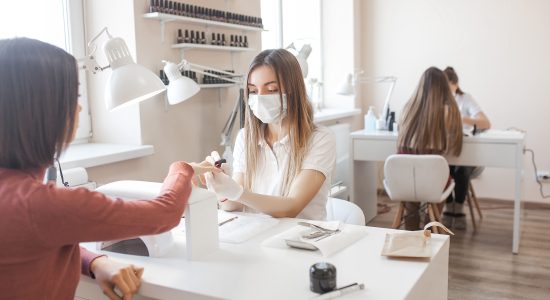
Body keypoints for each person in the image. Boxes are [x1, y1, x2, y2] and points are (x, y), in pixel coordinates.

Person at [0, 38, 219, 299]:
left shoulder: (24, 203)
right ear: (44, 111)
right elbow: (164, 214)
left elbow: (37, 240)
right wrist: (182, 168)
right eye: (75, 97)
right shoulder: (41, 204)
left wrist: (94, 262)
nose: (79, 108)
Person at [205, 49, 336, 220]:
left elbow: (291, 207)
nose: (260, 98)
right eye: (253, 91)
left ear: (294, 91)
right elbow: (233, 205)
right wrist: (221, 187)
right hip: (257, 236)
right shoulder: (246, 138)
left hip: (301, 239)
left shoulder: (319, 139)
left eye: (272, 89)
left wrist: (237, 192)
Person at [397, 67, 463, 230]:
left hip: (405, 179)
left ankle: (411, 232)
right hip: (433, 180)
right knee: (438, 181)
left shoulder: (407, 108)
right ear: (444, 86)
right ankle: (431, 226)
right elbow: (453, 145)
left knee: (412, 193)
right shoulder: (450, 110)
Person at [442, 66, 491, 229]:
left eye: (446, 85)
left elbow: (486, 123)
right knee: (442, 168)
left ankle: (458, 207)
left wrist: (464, 119)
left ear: (454, 84)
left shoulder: (465, 99)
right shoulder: (439, 101)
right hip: (446, 151)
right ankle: (449, 208)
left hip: (466, 150)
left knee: (460, 170)